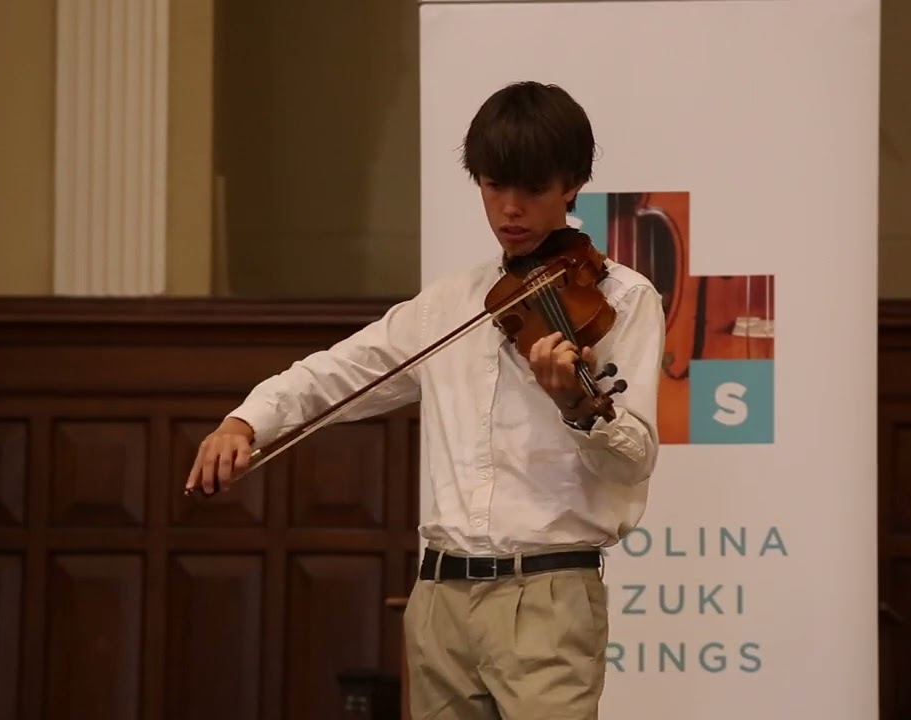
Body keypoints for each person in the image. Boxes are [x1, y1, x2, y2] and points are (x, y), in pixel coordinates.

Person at [185, 80, 664, 719]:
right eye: (495, 186)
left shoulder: (625, 299)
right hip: (438, 597)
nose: (510, 210)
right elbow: (336, 371)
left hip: (547, 594)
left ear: (573, 184)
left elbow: (631, 460)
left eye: (533, 189)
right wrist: (245, 420)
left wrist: (577, 407)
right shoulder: (448, 304)